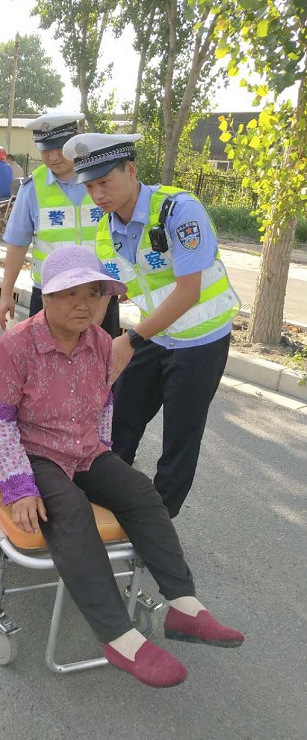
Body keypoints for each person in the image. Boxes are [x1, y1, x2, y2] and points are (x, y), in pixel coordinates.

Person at [0, 245, 244, 688]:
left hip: (82, 449)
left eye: (94, 294)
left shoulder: (102, 344)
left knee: (140, 491)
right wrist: (19, 486)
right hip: (28, 452)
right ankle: (117, 635)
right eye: (70, 294)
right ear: (47, 296)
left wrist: (102, 451)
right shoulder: (16, 346)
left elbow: (104, 402)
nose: (84, 304)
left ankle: (184, 605)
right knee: (69, 508)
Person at [62, 133, 240, 518]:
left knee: (179, 440)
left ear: (131, 170)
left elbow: (189, 292)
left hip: (200, 341)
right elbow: (106, 295)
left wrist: (130, 340)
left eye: (105, 182)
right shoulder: (106, 230)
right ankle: (105, 506)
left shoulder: (179, 211)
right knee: (118, 421)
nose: (98, 195)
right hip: (155, 335)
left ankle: (155, 523)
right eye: (89, 187)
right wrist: (82, 344)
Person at [0, 112, 120, 338]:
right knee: (46, 359)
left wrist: (104, 300)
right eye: (46, 150)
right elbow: (17, 244)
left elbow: (119, 241)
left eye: (60, 148)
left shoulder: (102, 180)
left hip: (98, 295)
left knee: (103, 359)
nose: (53, 157)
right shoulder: (32, 188)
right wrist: (6, 294)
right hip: (50, 297)